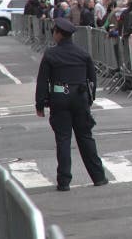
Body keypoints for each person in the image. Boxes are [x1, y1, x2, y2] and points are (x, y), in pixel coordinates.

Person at [34, 18, 108, 192]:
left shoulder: (51, 54)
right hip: (80, 98)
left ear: (59, 34)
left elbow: (42, 81)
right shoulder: (82, 53)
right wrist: (90, 99)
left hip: (59, 98)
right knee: (85, 137)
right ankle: (98, 177)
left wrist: (40, 104)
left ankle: (64, 181)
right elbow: (92, 79)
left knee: (63, 140)